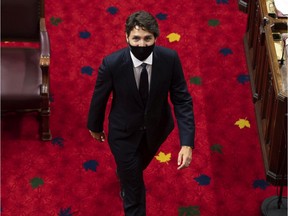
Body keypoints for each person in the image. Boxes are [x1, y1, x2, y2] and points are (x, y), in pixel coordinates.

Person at [87, 10, 195, 216]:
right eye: (136, 38)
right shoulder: (112, 64)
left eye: (148, 38)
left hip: (156, 131)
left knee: (134, 170)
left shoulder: (170, 59)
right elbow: (99, 97)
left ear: (156, 38)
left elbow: (182, 100)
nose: (142, 44)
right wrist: (95, 126)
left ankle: (126, 176)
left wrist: (187, 143)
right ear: (126, 37)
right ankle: (128, 183)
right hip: (123, 134)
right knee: (134, 191)